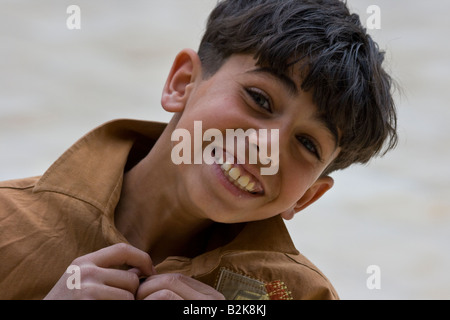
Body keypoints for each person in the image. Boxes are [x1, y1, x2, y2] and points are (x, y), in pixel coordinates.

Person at [0, 0, 397, 300]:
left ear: (308, 196)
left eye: (308, 144)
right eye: (259, 99)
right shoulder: (8, 224)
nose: (267, 148)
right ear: (182, 82)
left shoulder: (296, 294)